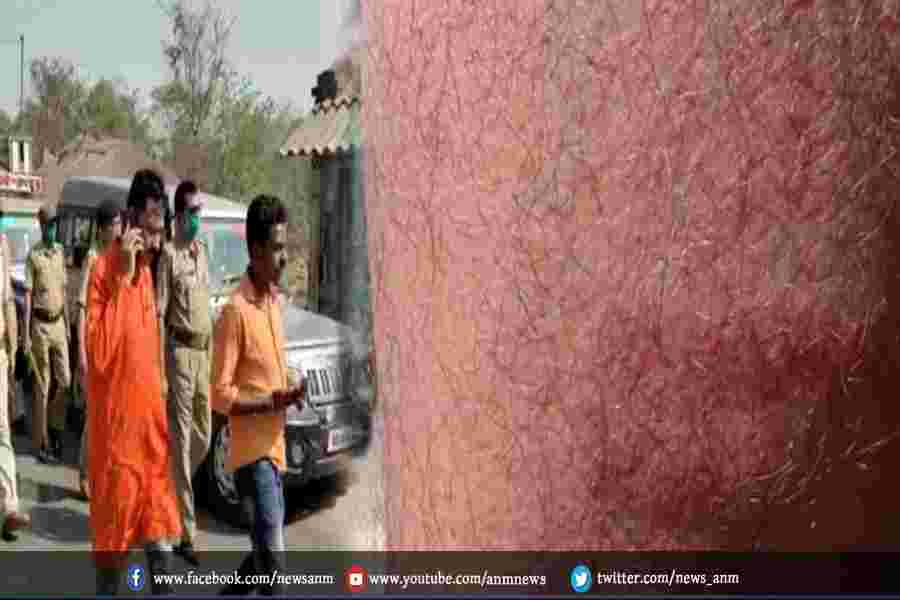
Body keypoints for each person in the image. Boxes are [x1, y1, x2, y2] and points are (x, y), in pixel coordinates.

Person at [85, 169, 180, 595]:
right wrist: (122, 277)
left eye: (161, 231)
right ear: (131, 222)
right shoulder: (106, 272)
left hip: (150, 446)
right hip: (119, 452)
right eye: (152, 231)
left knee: (162, 559)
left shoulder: (147, 272)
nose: (158, 242)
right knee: (113, 570)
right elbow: (100, 354)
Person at [211, 195, 305, 596]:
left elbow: (270, 374)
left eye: (285, 247)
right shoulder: (235, 311)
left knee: (261, 559)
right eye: (277, 248)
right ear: (255, 250)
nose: (284, 258)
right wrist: (270, 402)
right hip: (253, 461)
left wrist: (291, 389)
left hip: (276, 453)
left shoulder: (272, 303)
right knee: (274, 568)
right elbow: (219, 395)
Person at [157, 180, 211, 566]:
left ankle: (171, 486)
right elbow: (159, 315)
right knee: (181, 436)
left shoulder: (201, 252)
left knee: (202, 437)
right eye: (192, 212)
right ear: (178, 216)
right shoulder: (168, 256)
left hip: (203, 355)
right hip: (178, 356)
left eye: (199, 211)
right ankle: (187, 534)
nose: (197, 218)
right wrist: (161, 370)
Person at [74, 198, 122, 501]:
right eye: (115, 224)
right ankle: (84, 473)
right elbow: (81, 307)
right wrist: (81, 352)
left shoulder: (118, 257)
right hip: (94, 346)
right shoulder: (92, 259)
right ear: (103, 228)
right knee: (95, 413)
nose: (119, 228)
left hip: (113, 346)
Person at [23, 203, 70, 465]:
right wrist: (27, 333)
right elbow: (28, 296)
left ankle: (56, 428)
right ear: (41, 226)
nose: (52, 228)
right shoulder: (34, 256)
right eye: (48, 225)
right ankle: (42, 442)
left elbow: (63, 290)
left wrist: (68, 326)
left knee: (64, 381)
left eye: (54, 224)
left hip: (59, 324)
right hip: (40, 325)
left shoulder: (60, 252)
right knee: (43, 385)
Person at [0, 229, 29, 540]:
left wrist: (13, 346)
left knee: (2, 430)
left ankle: (9, 507)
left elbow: (7, 298)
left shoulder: (2, 245)